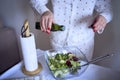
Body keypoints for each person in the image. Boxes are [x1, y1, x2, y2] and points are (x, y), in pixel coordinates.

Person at [30, 0, 113, 60]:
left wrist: (104, 17)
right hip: (58, 41)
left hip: (84, 44)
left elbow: (107, 10)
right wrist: (45, 11)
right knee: (59, 71)